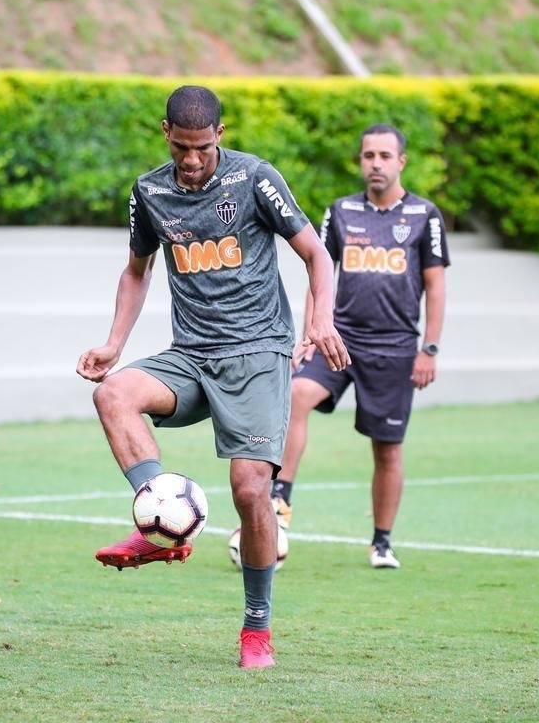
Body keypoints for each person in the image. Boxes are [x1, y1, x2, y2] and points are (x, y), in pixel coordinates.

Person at [76, 85, 348, 669]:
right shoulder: (150, 191)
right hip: (193, 355)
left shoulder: (254, 178)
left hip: (257, 354)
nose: (192, 159)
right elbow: (136, 271)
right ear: (165, 133)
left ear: (220, 134)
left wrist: (320, 318)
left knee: (251, 491)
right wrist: (114, 343)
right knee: (114, 393)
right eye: (181, 147)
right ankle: (160, 517)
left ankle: (257, 629)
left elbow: (315, 254)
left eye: (202, 147)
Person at [270, 123, 448, 570]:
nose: (376, 164)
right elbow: (320, 271)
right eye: (369, 156)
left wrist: (429, 348)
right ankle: (278, 502)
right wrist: (311, 331)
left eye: (385, 156)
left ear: (401, 161)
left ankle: (382, 542)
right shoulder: (341, 211)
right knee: (296, 394)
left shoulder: (425, 215)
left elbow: (436, 285)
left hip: (394, 348)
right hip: (339, 337)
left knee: (387, 448)